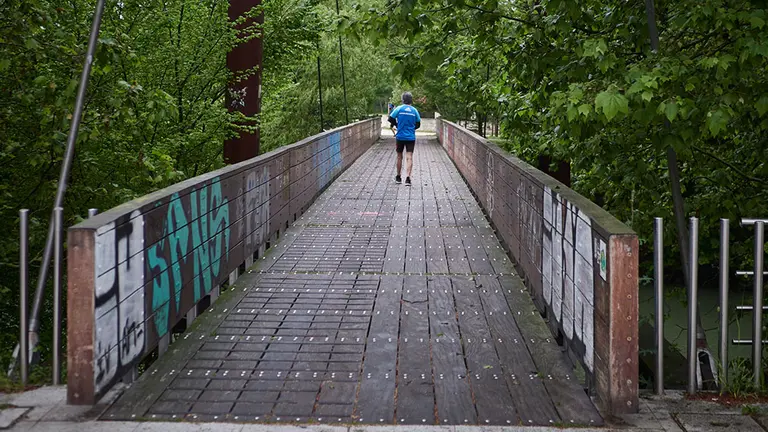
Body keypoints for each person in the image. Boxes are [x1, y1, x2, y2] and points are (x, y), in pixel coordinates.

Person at [387, 92, 421, 186]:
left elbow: (390, 118)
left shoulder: (399, 109)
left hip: (400, 136)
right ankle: (408, 179)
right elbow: (418, 124)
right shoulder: (414, 110)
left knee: (399, 156)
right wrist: (411, 128)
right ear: (411, 100)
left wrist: (397, 125)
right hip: (410, 137)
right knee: (409, 157)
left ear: (402, 100)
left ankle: (398, 177)